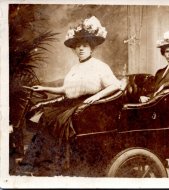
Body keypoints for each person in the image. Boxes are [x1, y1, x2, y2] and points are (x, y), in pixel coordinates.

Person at [18, 16, 121, 175]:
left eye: (85, 46)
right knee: (46, 117)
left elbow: (116, 85)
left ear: (91, 48)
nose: (81, 49)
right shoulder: (74, 68)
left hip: (89, 107)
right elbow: (66, 90)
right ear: (74, 49)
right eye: (78, 46)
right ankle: (35, 164)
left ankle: (52, 166)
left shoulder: (100, 66)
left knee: (58, 121)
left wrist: (97, 96)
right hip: (71, 104)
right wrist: (43, 88)